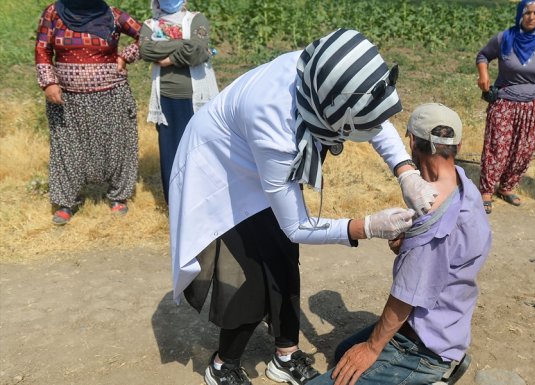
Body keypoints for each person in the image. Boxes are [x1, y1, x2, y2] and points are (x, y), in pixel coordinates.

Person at [168, 29, 439, 385]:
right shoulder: (275, 126)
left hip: (258, 157)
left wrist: (406, 172)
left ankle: (285, 355)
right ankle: (223, 365)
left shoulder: (327, 74)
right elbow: (297, 225)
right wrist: (367, 226)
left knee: (284, 258)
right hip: (224, 172)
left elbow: (373, 116)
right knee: (249, 275)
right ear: (334, 116)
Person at [307, 103, 492, 385]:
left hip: (421, 347)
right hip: (448, 323)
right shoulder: (466, 188)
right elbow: (454, 250)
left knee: (340, 370)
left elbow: (406, 297)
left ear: (412, 141)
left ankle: (428, 375)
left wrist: (372, 349)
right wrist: (411, 246)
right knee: (343, 351)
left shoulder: (433, 219)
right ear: (458, 145)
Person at [35, 0, 142, 225]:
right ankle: (66, 202)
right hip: (66, 98)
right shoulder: (54, 13)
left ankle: (118, 196)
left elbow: (148, 35)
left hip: (111, 94)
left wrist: (126, 56)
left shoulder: (112, 14)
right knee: (67, 149)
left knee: (116, 145)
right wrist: (48, 83)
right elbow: (42, 48)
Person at [476, 0, 535, 214]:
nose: (532, 17)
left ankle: (507, 187)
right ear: (520, 14)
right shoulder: (504, 38)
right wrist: (483, 74)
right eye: (527, 12)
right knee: (497, 148)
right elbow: (483, 55)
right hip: (505, 102)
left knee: (522, 151)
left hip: (532, 106)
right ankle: (486, 190)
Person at [139, 0, 218, 203]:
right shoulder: (150, 25)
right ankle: (175, 202)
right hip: (165, 97)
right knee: (171, 151)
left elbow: (198, 49)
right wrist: (184, 43)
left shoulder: (196, 19)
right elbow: (146, 50)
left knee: (199, 149)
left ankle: (202, 200)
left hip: (196, 97)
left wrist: (169, 59)